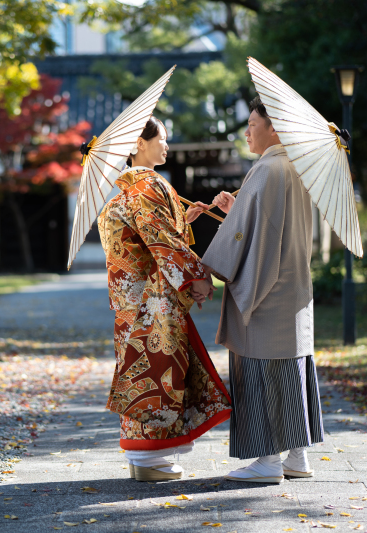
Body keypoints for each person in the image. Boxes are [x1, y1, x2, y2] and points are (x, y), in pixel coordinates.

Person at [97, 116, 232, 482]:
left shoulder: (123, 192)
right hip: (153, 301)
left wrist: (183, 220)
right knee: (160, 372)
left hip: (130, 304)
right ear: (140, 143)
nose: (167, 146)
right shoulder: (151, 185)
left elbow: (148, 236)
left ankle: (143, 459)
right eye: (162, 139)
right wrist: (198, 276)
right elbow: (163, 243)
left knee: (138, 370)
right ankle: (150, 461)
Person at [198, 97, 324, 483]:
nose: (248, 131)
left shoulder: (267, 169)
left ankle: (268, 461)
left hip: (265, 291)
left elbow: (243, 235)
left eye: (253, 123)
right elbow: (264, 226)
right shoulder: (298, 167)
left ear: (274, 128)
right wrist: (235, 208)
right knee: (292, 368)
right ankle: (297, 457)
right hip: (293, 287)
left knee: (263, 370)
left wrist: (208, 269)